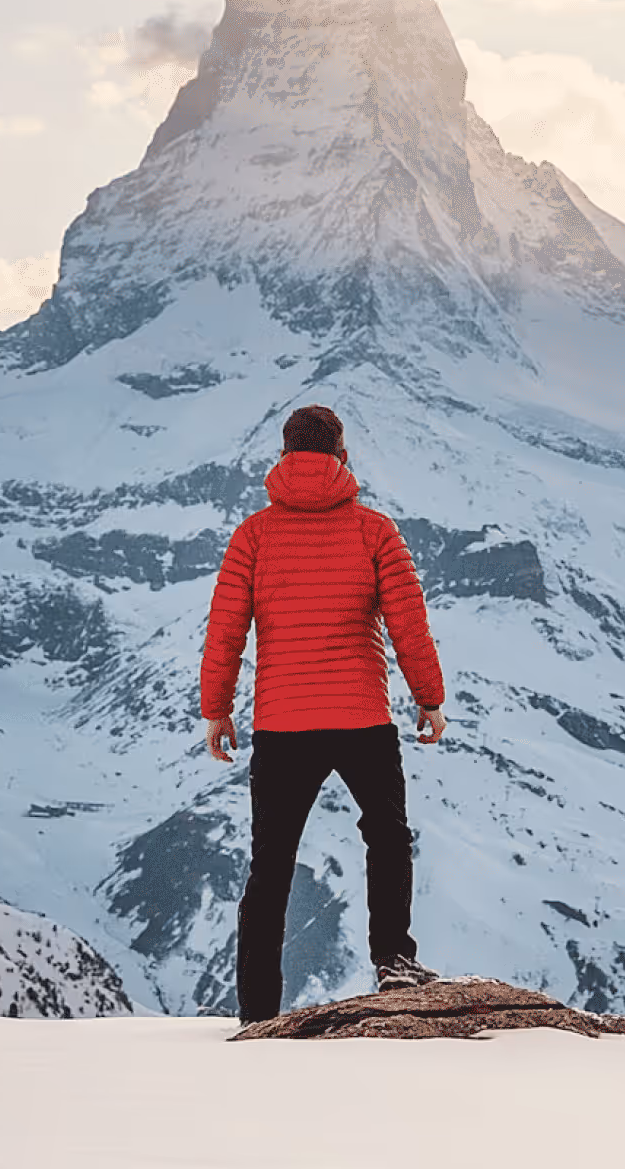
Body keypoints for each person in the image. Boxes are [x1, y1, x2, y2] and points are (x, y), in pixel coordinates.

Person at [201, 403, 448, 1025]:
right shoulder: (375, 531)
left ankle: (258, 1009)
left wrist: (216, 710)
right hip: (362, 717)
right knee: (387, 838)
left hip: (283, 724)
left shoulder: (252, 535)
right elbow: (408, 625)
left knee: (271, 863)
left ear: (283, 457)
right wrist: (429, 699)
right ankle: (393, 959)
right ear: (342, 455)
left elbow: (226, 631)